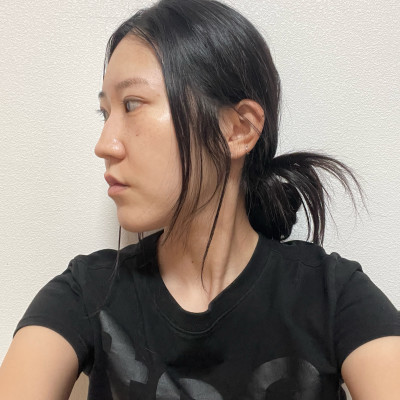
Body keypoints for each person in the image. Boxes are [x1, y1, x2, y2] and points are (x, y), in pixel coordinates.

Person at [1, 0, 399, 398]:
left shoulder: (331, 295)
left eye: (132, 105)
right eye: (106, 114)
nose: (104, 145)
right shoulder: (85, 293)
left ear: (238, 130)